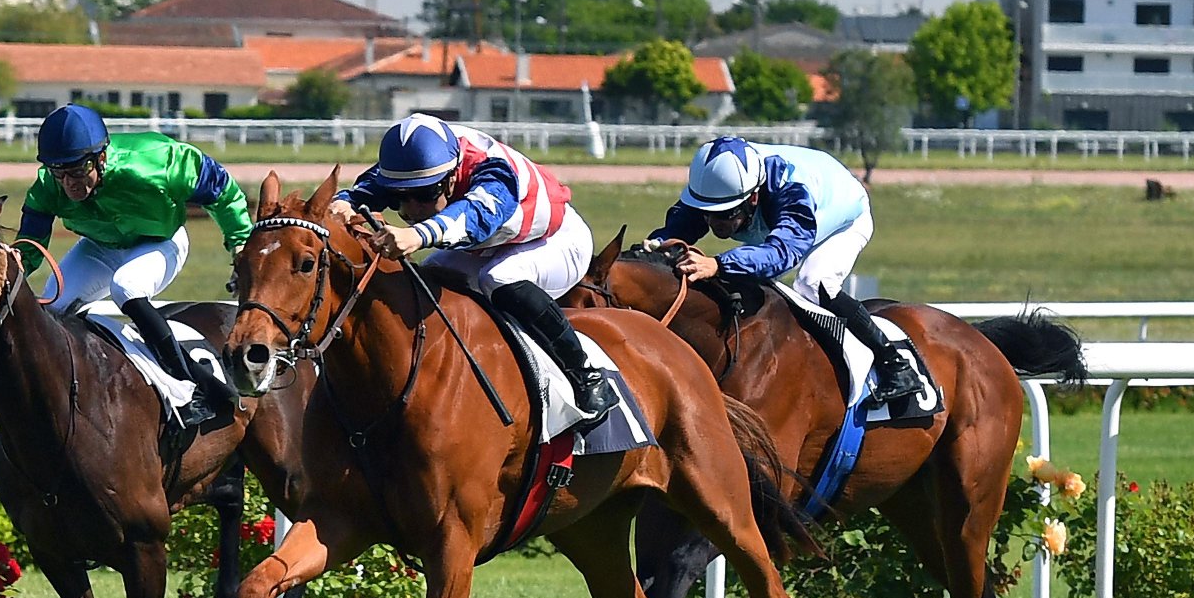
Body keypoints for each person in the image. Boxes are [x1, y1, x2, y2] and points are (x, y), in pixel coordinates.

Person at [330, 113, 619, 424]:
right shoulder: (418, 161)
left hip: (556, 240)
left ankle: (586, 375)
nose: (412, 209)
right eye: (401, 197)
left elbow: (477, 215)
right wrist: (345, 201)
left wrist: (418, 234)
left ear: (452, 176)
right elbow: (372, 185)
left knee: (497, 278)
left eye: (425, 194)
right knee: (427, 276)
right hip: (488, 245)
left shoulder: (493, 170)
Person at [14, 103, 249, 420]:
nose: (69, 182)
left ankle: (195, 385)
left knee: (126, 287)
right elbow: (29, 245)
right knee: (54, 306)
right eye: (59, 172)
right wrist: (13, 264)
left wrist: (239, 243)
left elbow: (222, 190)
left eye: (79, 170)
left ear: (101, 158)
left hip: (162, 242)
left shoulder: (156, 162)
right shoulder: (47, 185)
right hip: (99, 247)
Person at [648, 136, 919, 403]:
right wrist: (656, 245)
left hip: (841, 217)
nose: (713, 222)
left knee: (812, 284)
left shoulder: (790, 191)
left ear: (753, 197)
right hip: (784, 219)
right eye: (707, 212)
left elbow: (782, 253)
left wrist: (718, 264)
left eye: (725, 214)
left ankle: (895, 364)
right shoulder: (714, 186)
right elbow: (680, 227)